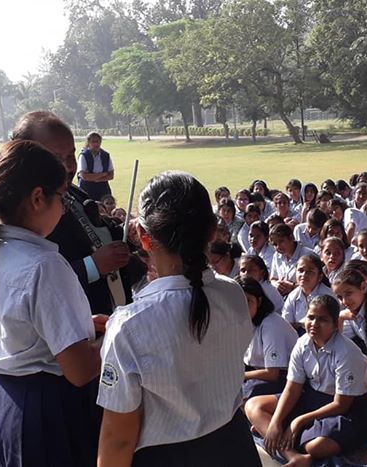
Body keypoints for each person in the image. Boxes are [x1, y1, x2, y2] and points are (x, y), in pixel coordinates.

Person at [96, 172, 260, 466]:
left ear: (143, 237)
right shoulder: (233, 294)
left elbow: (117, 440)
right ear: (212, 231)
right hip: (235, 448)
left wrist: (119, 335)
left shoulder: (129, 327)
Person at [0, 140, 104, 465]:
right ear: (38, 198)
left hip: (8, 403)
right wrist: (115, 334)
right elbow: (80, 371)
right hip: (52, 414)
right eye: (62, 196)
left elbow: (1, 335)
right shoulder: (44, 265)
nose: (66, 207)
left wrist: (81, 327)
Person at [12, 112, 133, 317]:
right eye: (55, 158)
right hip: (79, 329)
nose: (68, 166)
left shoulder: (73, 191)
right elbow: (35, 283)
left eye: (70, 155)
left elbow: (98, 233)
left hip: (113, 315)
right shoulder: (22, 213)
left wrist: (128, 231)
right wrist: (92, 266)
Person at [245, 295, 367, 466]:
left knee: (317, 447)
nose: (314, 324)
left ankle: (283, 435)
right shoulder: (303, 344)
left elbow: (341, 404)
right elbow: (292, 389)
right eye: (311, 317)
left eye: (323, 320)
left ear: (336, 325)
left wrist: (298, 421)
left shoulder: (347, 353)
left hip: (349, 407)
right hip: (313, 397)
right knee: (253, 406)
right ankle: (293, 456)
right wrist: (276, 421)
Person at [239, 276, 299, 400]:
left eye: (248, 301)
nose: (243, 307)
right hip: (257, 372)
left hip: (286, 378)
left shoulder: (271, 325)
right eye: (239, 302)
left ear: (259, 301)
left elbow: (272, 373)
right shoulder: (242, 322)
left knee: (241, 397)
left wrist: (239, 375)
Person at [281, 255, 335, 333]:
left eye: (310, 271)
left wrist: (299, 325)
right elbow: (286, 325)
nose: (304, 275)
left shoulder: (328, 296)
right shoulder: (293, 296)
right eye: (300, 270)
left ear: (319, 277)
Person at [77, 131, 115, 201]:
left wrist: (96, 179)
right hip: (87, 190)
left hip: (103, 190)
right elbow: (84, 176)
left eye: (98, 141)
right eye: (93, 142)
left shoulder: (106, 155)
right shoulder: (84, 156)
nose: (96, 144)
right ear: (88, 143)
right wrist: (103, 174)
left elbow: (111, 175)